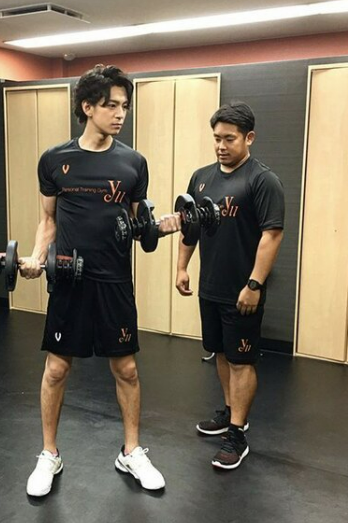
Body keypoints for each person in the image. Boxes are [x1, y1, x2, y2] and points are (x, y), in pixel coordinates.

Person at [19, 65, 181, 496]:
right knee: (56, 368)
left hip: (114, 280)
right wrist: (36, 257)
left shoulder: (133, 163)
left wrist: (165, 226)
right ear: (87, 107)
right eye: (111, 105)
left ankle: (131, 451)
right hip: (69, 279)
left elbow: (139, 226)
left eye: (125, 106)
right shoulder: (54, 160)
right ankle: (49, 454)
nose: (120, 113)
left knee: (126, 368)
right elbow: (48, 220)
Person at [175, 102, 284, 470]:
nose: (221, 146)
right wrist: (182, 267)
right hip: (211, 286)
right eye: (216, 138)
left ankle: (237, 433)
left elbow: (272, 235)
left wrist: (254, 284)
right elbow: (190, 225)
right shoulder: (201, 178)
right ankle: (229, 411)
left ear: (249, 138)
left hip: (243, 291)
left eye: (229, 139)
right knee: (221, 353)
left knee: (241, 360)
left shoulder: (262, 180)